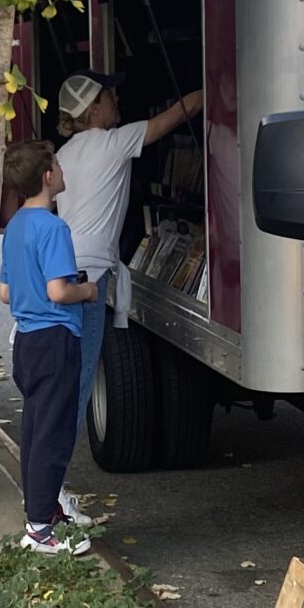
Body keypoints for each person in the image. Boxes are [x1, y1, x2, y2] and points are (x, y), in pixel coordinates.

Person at [54, 70, 203, 497]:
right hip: (92, 275)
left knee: (64, 379)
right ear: (93, 108)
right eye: (108, 94)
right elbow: (182, 112)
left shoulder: (65, 154)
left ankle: (49, 485)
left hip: (65, 268)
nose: (117, 98)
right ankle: (52, 494)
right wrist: (215, 85)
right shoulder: (113, 142)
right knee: (80, 380)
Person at [0, 139, 99, 558]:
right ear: (46, 177)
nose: (60, 168)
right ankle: (39, 527)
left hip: (26, 339)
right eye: (56, 163)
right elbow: (59, 291)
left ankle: (41, 512)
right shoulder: (54, 228)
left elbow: (5, 293)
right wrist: (88, 289)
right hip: (57, 338)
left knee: (35, 429)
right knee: (52, 436)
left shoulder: (17, 224)